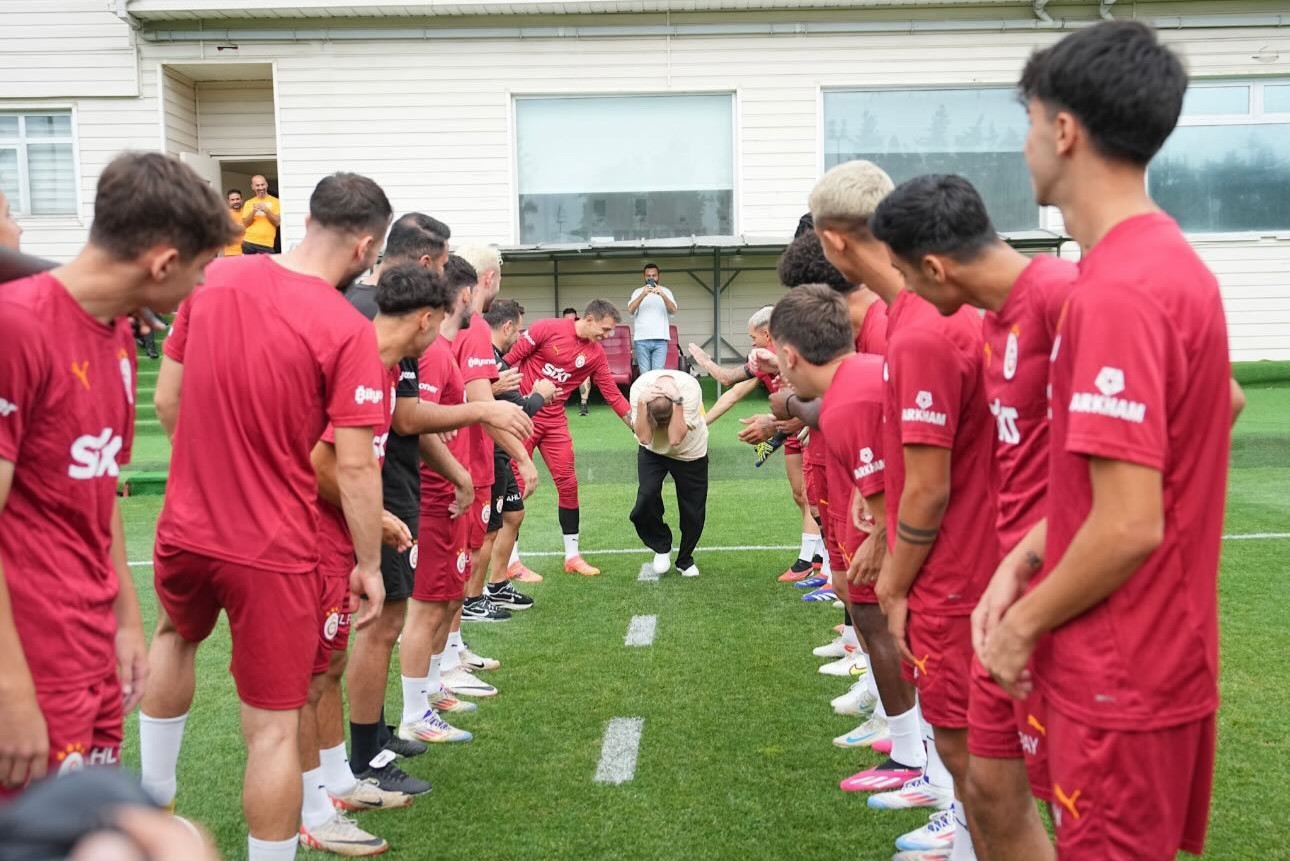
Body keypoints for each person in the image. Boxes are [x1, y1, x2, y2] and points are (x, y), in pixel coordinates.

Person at [979, 22, 1232, 861]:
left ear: (1064, 130)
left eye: (1028, 124)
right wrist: (1028, 554)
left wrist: (1022, 626)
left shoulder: (1116, 290)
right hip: (1140, 656)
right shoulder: (1163, 265)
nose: (1023, 149)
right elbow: (1211, 414)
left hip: (1122, 669)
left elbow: (1129, 525)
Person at [139, 172, 393, 861]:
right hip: (273, 544)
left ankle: (150, 798)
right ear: (365, 245)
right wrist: (369, 563)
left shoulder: (216, 280)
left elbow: (167, 401)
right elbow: (356, 464)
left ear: (305, 216)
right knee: (275, 731)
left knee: (173, 637)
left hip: (187, 524)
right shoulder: (346, 326)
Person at [0, 152, 233, 799]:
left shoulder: (118, 337)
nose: (201, 288)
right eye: (200, 269)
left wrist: (127, 622)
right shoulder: (14, 327)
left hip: (92, 648)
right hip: (31, 664)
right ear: (163, 263)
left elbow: (99, 490)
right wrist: (10, 688)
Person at [871, 173, 1078, 860]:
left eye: (903, 276)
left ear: (929, 267)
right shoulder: (999, 318)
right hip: (1005, 584)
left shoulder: (1060, 294)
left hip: (1056, 599)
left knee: (1063, 807)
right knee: (989, 790)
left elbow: (1201, 407)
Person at [813, 158, 997, 860]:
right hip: (974, 562)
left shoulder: (918, 323)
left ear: (834, 242)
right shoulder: (919, 314)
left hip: (956, 569)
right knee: (983, 767)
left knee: (984, 772)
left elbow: (930, 481)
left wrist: (894, 576)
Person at [296, 263, 454, 855]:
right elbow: (319, 462)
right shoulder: (355, 359)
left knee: (328, 669)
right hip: (309, 539)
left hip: (340, 536)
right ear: (428, 319)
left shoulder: (381, 367)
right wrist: (374, 524)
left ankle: (338, 780)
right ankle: (310, 812)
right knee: (307, 682)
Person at [770, 285, 926, 796]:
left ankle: (931, 779)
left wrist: (883, 544)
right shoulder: (858, 379)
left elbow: (918, 493)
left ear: (789, 354)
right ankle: (924, 770)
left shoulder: (849, 398)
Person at [690, 307, 822, 582]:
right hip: (787, 429)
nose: (751, 343)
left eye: (753, 337)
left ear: (767, 333)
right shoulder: (762, 363)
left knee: (814, 497)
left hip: (810, 428)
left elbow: (820, 392)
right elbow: (731, 387)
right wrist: (702, 424)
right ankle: (820, 555)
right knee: (800, 495)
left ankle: (807, 561)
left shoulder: (800, 353)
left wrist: (792, 421)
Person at [504, 299, 633, 576]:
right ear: (589, 319)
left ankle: (572, 556)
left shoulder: (596, 354)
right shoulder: (546, 329)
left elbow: (612, 394)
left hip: (555, 422)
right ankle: (511, 560)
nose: (608, 336)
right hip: (523, 416)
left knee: (569, 484)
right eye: (606, 329)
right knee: (514, 485)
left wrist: (637, 426)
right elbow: (506, 360)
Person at [447, 247, 540, 627]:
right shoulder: (473, 332)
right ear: (487, 279)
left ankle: (452, 651)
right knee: (461, 556)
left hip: (462, 457)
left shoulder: (451, 332)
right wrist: (522, 456)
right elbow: (483, 408)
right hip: (466, 460)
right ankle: (447, 658)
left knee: (463, 553)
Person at [484, 299, 556, 590]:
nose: (518, 339)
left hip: (503, 453)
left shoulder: (496, 359)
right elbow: (520, 414)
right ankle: (473, 598)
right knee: (486, 532)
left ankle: (499, 582)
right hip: (489, 453)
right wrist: (540, 393)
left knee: (514, 514)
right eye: (518, 331)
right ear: (507, 326)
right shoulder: (490, 361)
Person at [629, 369, 709, 578]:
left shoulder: (689, 390)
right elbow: (645, 438)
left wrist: (678, 402)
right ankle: (662, 545)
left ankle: (685, 559)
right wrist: (641, 404)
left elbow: (674, 439)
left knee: (693, 510)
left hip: (690, 452)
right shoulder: (639, 389)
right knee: (645, 499)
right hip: (652, 451)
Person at [627, 262, 677, 373]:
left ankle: (656, 391)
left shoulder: (666, 291)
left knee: (657, 374)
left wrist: (663, 295)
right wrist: (643, 295)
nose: (651, 278)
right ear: (644, 277)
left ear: (658, 276)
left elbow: (673, 310)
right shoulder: (638, 292)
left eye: (653, 275)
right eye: (648, 276)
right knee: (644, 374)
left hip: (661, 339)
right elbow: (630, 310)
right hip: (641, 339)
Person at [562, 307, 593, 416]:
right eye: (568, 320)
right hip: (562, 364)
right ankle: (557, 403)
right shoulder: (560, 332)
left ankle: (583, 405)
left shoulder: (583, 332)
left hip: (579, 363)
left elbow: (589, 350)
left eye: (573, 319)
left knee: (585, 374)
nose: (571, 322)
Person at [240, 175, 281, 255]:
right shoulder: (248, 203)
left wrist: (266, 210)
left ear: (267, 184)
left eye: (262, 184)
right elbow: (245, 224)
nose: (261, 188)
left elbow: (277, 222)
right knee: (250, 267)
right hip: (249, 242)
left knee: (266, 267)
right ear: (253, 187)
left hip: (266, 244)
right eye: (257, 185)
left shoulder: (276, 201)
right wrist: (253, 211)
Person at [223, 190, 245, 257]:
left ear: (242, 199)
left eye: (237, 199)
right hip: (231, 252)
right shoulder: (224, 215)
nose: (235, 202)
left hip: (248, 251)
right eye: (232, 200)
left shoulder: (247, 212)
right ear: (228, 201)